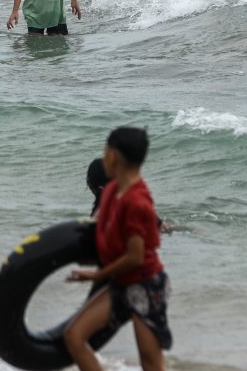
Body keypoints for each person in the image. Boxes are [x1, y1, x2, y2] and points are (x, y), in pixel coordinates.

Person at [65, 127, 171, 371]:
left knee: (151, 363)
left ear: (113, 156)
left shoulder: (137, 202)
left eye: (105, 152)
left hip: (146, 286)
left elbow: (135, 257)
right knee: (74, 336)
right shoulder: (113, 189)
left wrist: (96, 275)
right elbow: (98, 221)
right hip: (122, 284)